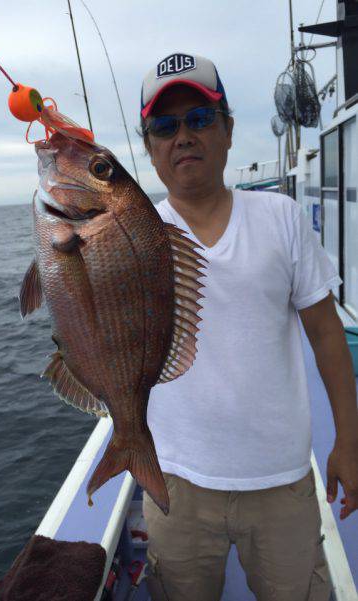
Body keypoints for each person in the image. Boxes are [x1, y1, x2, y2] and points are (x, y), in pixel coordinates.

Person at [139, 52, 358, 601]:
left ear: (229, 130)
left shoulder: (280, 217)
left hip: (280, 479)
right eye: (165, 126)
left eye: (200, 118)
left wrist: (350, 441)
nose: (183, 135)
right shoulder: (134, 234)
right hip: (175, 481)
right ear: (149, 147)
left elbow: (328, 334)